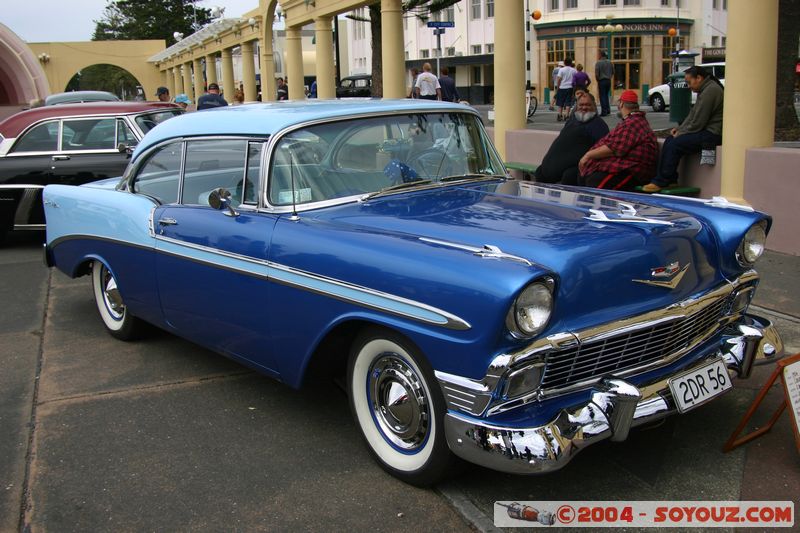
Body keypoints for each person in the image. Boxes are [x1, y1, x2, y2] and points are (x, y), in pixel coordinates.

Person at [643, 65, 724, 192]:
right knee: (670, 140)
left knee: (675, 144)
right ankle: (670, 179)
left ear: (698, 78)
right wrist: (680, 129)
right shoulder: (705, 89)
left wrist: (682, 132)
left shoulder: (711, 91)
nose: (689, 86)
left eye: (689, 82)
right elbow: (693, 115)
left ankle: (662, 181)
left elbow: (698, 121)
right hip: (706, 130)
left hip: (712, 133)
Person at [576, 89, 657, 191]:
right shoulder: (631, 121)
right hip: (625, 167)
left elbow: (615, 148)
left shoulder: (633, 122)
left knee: (595, 182)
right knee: (584, 175)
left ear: (621, 104)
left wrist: (588, 155)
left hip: (633, 170)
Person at [534, 93, 609, 184]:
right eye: (581, 105)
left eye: (588, 105)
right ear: (576, 106)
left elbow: (603, 149)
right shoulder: (572, 120)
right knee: (539, 172)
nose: (584, 108)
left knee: (569, 176)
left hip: (576, 169)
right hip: (550, 169)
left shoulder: (598, 125)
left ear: (594, 106)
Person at [595, 50, 614, 116]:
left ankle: (604, 111)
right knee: (606, 95)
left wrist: (598, 80)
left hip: (602, 80)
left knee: (602, 96)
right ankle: (608, 110)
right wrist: (609, 77)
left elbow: (597, 73)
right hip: (608, 80)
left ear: (600, 55)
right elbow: (613, 72)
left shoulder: (598, 63)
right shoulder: (610, 62)